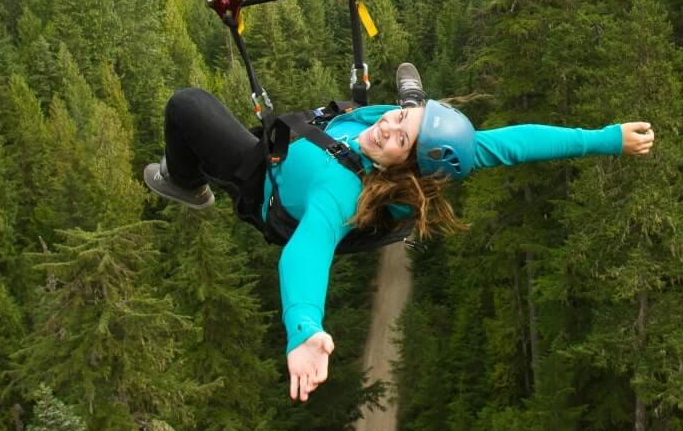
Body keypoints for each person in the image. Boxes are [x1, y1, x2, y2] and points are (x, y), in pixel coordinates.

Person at [143, 64, 655, 402]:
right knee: (427, 116)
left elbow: (306, 252)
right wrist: (606, 139)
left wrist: (303, 329)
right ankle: (420, 99)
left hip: (261, 179)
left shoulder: (338, 193)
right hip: (320, 145)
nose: (387, 124)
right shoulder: (420, 144)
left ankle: (185, 184)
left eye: (399, 136)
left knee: (186, 105)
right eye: (402, 115)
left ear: (400, 171)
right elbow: (519, 143)